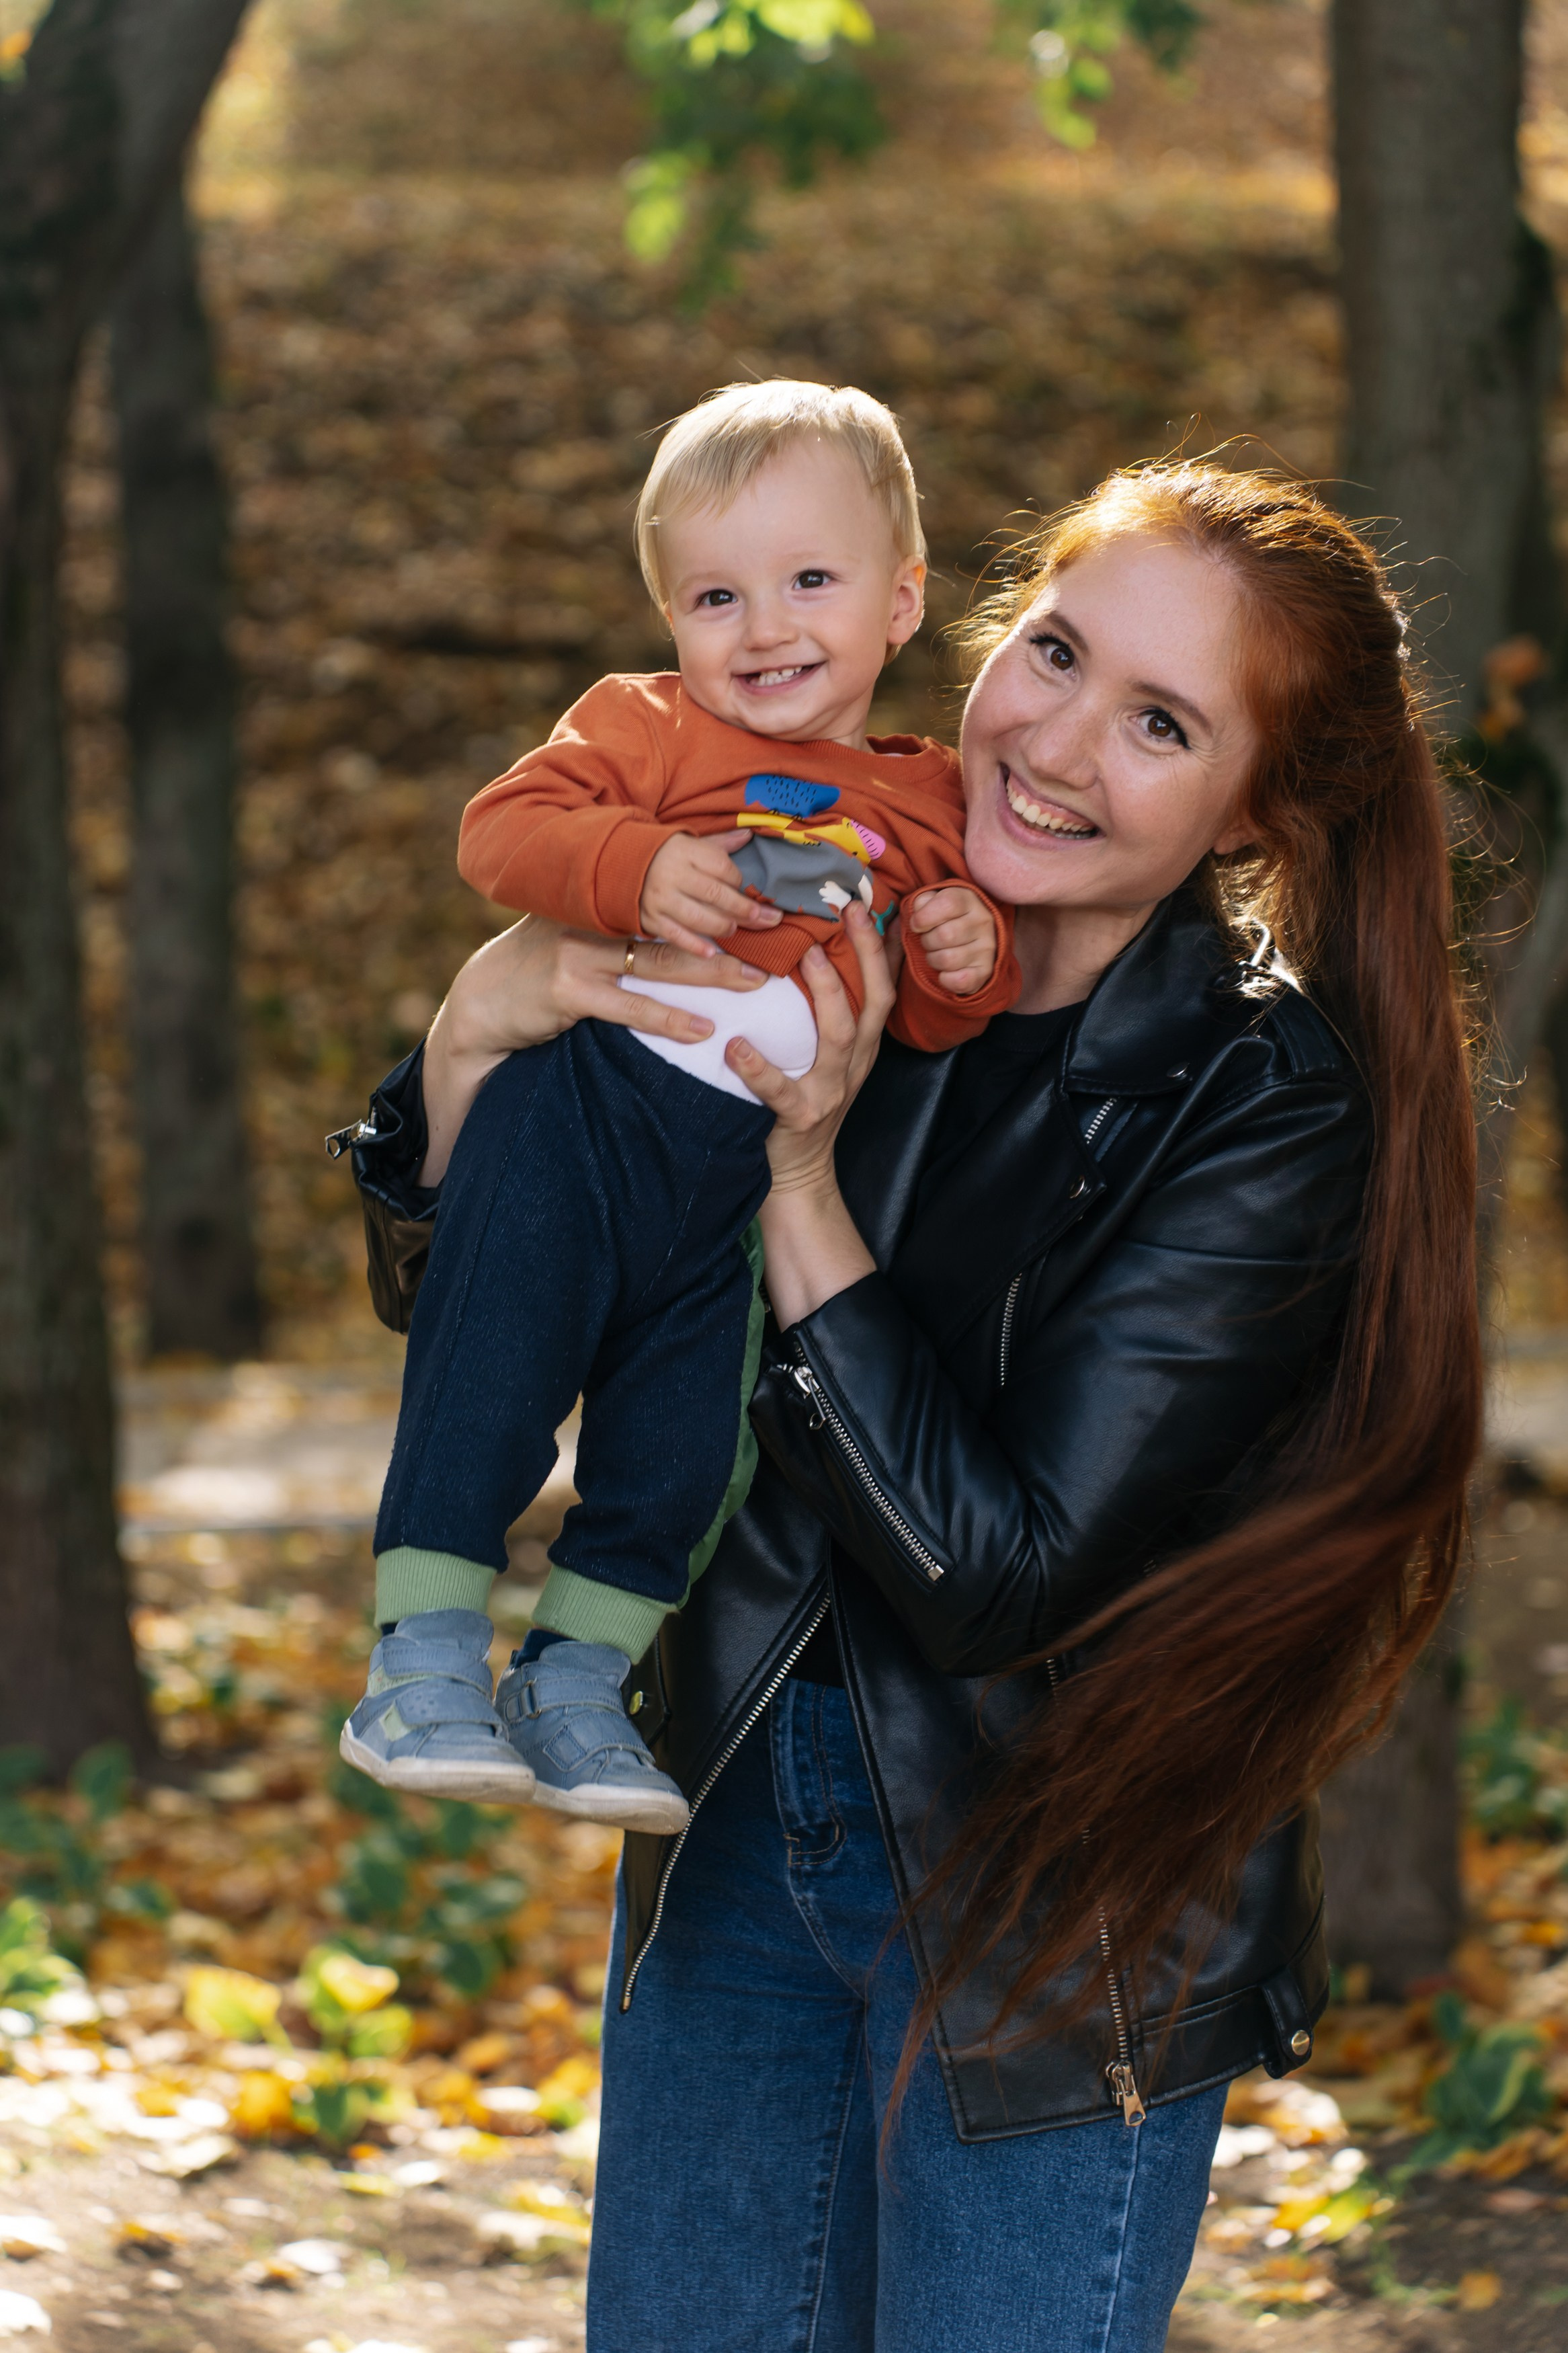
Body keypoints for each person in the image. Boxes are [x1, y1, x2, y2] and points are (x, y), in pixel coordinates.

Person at [343, 461, 1481, 2352]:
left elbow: (993, 1569)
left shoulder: (1262, 1102)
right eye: (1052, 650)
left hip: (1049, 1896)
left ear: (1252, 807)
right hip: (721, 1826)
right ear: (962, 619)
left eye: (1158, 722)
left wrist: (799, 1186)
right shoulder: (831, 889)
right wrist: (473, 1036)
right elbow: (503, 1307)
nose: (1049, 740)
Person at [341, 381, 1017, 1832]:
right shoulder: (645, 733)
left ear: (901, 603)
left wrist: (966, 952)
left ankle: (578, 1679)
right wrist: (634, 868)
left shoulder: (930, 805)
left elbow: (940, 1007)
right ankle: (422, 1659)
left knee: (680, 1451)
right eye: (716, 594)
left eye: (811, 581)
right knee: (490, 1375)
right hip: (577, 1120)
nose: (764, 626)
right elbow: (500, 830)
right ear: (668, 619)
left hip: (728, 1189)